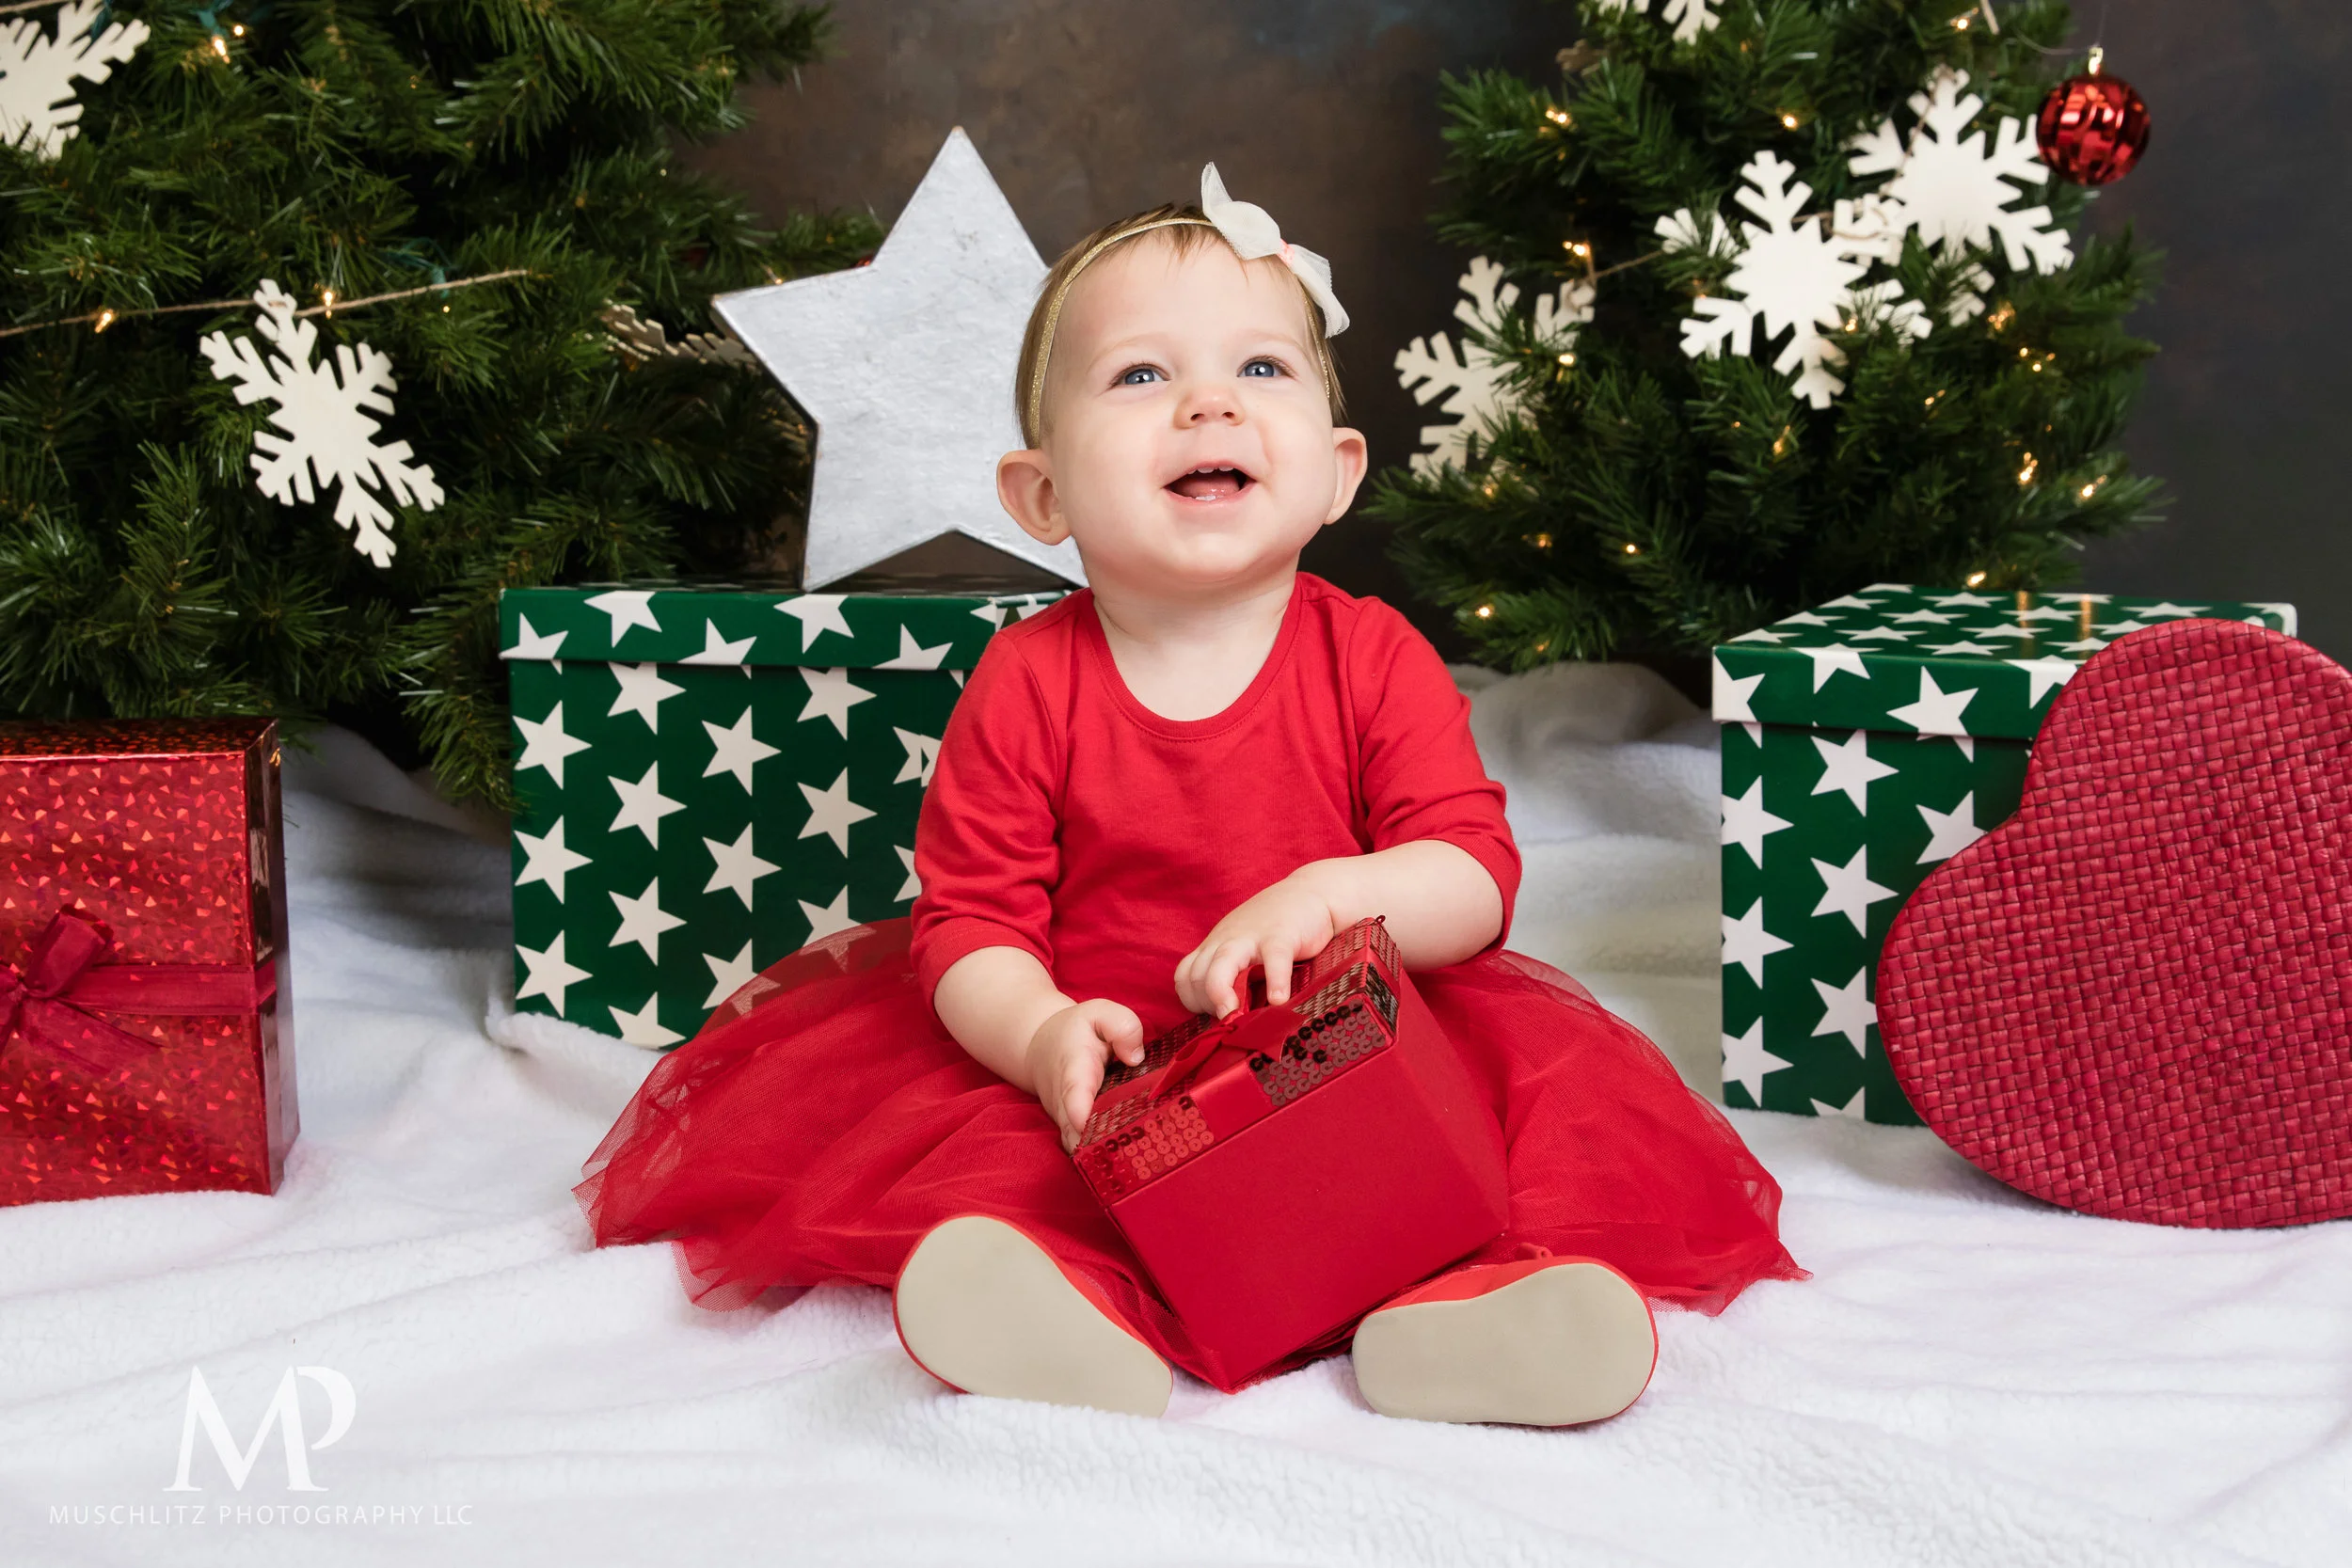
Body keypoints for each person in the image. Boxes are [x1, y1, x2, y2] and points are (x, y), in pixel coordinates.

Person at [578, 166, 1802, 1425]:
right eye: (1140, 376)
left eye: (1261, 369)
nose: (1208, 399)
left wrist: (1341, 894)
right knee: (1029, 1174)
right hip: (1125, 1077)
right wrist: (1047, 1035)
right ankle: (1077, 1311)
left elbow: (1475, 875)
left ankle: (1455, 1320)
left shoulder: (1372, 654)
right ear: (1041, 494)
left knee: (1468, 1159)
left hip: (1352, 1055)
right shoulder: (1026, 680)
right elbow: (971, 927)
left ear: (1334, 474)